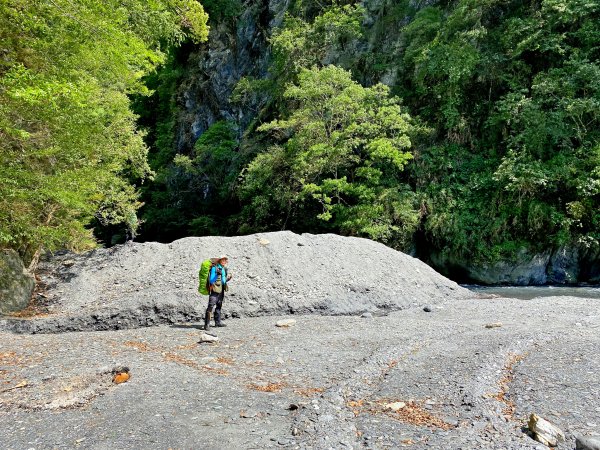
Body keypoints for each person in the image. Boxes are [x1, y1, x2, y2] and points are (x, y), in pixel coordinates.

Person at [204, 255, 232, 330]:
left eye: (225, 260)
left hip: (221, 290)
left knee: (219, 305)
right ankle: (207, 324)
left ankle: (218, 322)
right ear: (219, 260)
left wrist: (227, 279)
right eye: (223, 260)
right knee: (210, 306)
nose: (224, 261)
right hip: (215, 290)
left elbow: (223, 281)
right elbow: (211, 280)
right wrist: (217, 274)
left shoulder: (224, 269)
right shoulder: (214, 268)